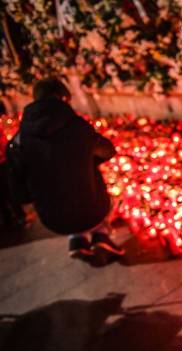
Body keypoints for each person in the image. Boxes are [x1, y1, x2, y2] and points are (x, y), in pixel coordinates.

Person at [17, 77, 124, 259]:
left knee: (64, 194)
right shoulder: (77, 127)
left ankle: (77, 239)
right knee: (102, 184)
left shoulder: (20, 139)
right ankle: (100, 235)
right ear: (63, 98)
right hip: (91, 211)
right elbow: (108, 151)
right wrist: (85, 161)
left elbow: (21, 194)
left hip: (52, 219)